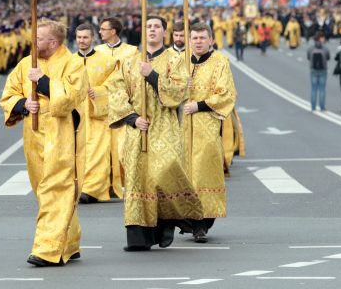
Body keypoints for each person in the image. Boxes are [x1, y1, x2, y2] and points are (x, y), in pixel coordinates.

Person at [108, 16, 203, 251]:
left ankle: (170, 219)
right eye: (148, 26)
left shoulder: (174, 59)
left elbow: (180, 91)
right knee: (138, 180)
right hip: (137, 127)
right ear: (143, 31)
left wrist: (152, 75)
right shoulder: (129, 60)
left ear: (164, 33)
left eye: (156, 27)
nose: (152, 30)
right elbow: (116, 91)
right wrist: (131, 118)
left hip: (164, 124)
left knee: (165, 170)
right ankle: (139, 237)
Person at [0, 19, 87, 267]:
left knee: (55, 188)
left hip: (62, 134)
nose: (33, 42)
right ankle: (69, 240)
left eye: (39, 38)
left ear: (54, 42)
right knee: (42, 189)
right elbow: (9, 93)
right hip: (34, 135)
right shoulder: (27, 63)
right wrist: (24, 104)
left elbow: (72, 97)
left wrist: (44, 82)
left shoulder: (73, 63)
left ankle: (47, 249)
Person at [181, 23, 236, 243]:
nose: (198, 42)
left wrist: (199, 105)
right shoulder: (181, 62)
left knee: (204, 173)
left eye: (202, 38)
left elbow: (227, 94)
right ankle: (187, 220)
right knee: (184, 175)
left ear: (211, 40)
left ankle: (202, 224)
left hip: (207, 126)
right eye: (194, 38)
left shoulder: (220, 62)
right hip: (182, 128)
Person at [74, 23, 118, 203]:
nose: (82, 41)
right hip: (75, 115)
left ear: (93, 38)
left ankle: (92, 190)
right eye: (79, 37)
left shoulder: (106, 61)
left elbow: (116, 82)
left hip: (97, 115)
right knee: (77, 152)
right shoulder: (68, 61)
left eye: (85, 37)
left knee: (97, 152)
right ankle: (79, 187)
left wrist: (99, 91)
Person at [95, 17, 139, 199]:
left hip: (122, 105)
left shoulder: (131, 51)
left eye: (103, 29)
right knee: (100, 149)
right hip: (99, 105)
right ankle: (102, 185)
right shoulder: (96, 52)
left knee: (122, 148)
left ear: (113, 31)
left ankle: (129, 184)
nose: (100, 32)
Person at [307, 31, 330, 112]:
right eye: (323, 38)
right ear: (320, 38)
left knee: (313, 89)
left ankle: (313, 107)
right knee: (322, 89)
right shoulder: (325, 49)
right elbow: (328, 58)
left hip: (313, 70)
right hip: (323, 70)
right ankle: (322, 107)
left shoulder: (311, 48)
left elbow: (309, 57)